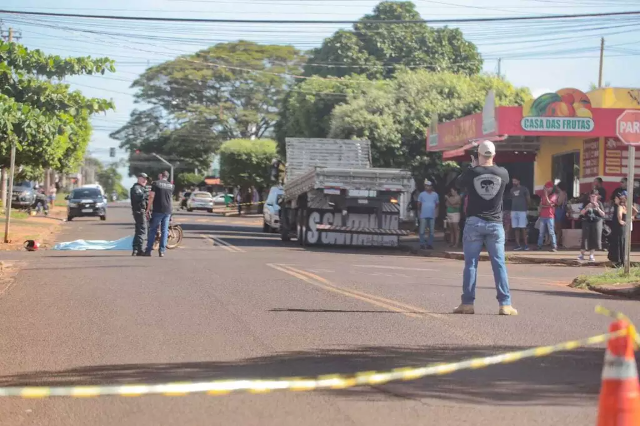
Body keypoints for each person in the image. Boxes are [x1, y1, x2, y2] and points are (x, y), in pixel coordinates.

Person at [453, 140, 517, 316]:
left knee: (471, 264)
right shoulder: (503, 173)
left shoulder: (472, 173)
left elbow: (458, 183)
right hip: (495, 224)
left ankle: (467, 304)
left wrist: (473, 166)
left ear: (478, 155)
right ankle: (505, 304)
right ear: (494, 155)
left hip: (474, 223)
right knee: (499, 264)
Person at [144, 171, 174, 257]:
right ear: (167, 177)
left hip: (158, 210)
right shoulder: (171, 186)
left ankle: (148, 250)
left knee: (153, 230)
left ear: (161, 176)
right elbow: (169, 198)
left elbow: (151, 196)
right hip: (167, 210)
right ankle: (162, 251)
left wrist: (148, 208)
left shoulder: (156, 183)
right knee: (165, 231)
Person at [579, 190, 604, 263]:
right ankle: (582, 254)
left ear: (597, 197)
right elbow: (581, 213)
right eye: (591, 196)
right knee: (585, 238)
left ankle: (591, 255)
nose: (593, 198)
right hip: (587, 221)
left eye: (594, 196)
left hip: (596, 222)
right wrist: (587, 208)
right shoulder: (586, 203)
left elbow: (603, 214)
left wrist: (598, 208)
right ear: (589, 196)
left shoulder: (599, 203)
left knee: (594, 237)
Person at [509, 176, 530, 251]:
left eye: (515, 181)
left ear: (519, 181)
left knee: (523, 228)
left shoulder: (524, 189)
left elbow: (528, 199)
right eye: (513, 181)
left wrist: (526, 208)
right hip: (514, 210)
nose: (513, 182)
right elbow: (512, 199)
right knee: (516, 228)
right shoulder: (511, 190)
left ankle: (526, 245)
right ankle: (518, 245)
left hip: (522, 211)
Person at [130, 173, 148, 256]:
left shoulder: (141, 188)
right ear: (139, 178)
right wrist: (146, 194)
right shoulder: (136, 188)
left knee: (138, 231)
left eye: (146, 179)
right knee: (142, 230)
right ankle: (140, 249)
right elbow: (139, 197)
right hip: (139, 212)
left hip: (139, 211)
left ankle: (135, 250)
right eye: (143, 178)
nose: (145, 180)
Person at [417, 180, 439, 250]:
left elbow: (437, 204)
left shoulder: (435, 194)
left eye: (428, 186)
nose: (427, 187)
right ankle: (422, 244)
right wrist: (420, 211)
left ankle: (429, 244)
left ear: (431, 187)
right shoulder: (421, 194)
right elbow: (419, 204)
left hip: (432, 215)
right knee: (422, 231)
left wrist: (434, 210)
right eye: (426, 186)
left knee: (432, 231)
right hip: (423, 215)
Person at [537, 181, 558, 252]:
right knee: (541, 232)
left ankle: (554, 246)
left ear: (551, 188)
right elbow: (541, 205)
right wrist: (546, 205)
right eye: (545, 188)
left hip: (550, 216)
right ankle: (539, 245)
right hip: (543, 216)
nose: (545, 189)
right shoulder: (542, 195)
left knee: (551, 232)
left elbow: (549, 203)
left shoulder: (554, 195)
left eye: (547, 188)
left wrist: (546, 196)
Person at [554, 181, 568, 247]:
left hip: (559, 210)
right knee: (559, 227)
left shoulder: (561, 193)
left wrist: (552, 202)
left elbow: (559, 203)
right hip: (561, 210)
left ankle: (557, 241)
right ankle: (558, 240)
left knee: (558, 227)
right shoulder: (564, 193)